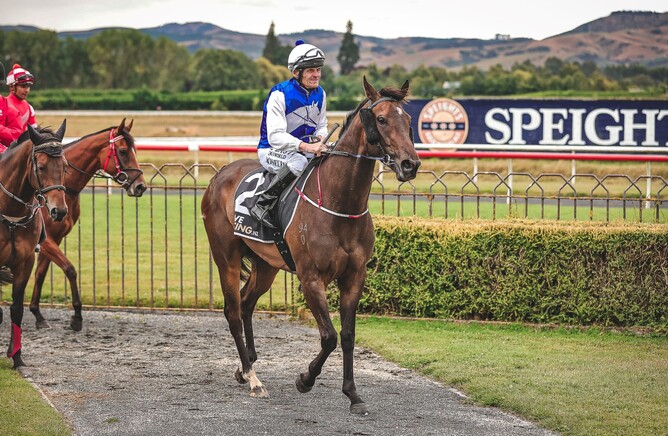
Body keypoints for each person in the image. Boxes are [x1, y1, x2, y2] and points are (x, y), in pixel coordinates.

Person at [250, 40, 329, 228]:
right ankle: (263, 204)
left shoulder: (321, 94)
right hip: (271, 150)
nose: (316, 74)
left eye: (318, 69)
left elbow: (321, 125)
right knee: (299, 162)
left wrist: (321, 140)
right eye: (310, 70)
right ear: (296, 72)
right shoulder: (280, 93)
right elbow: (275, 136)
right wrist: (307, 147)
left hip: (303, 150)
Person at [6, 64, 38, 137]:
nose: (27, 90)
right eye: (23, 86)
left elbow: (36, 133)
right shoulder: (2, 106)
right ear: (12, 87)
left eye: (28, 86)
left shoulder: (29, 108)